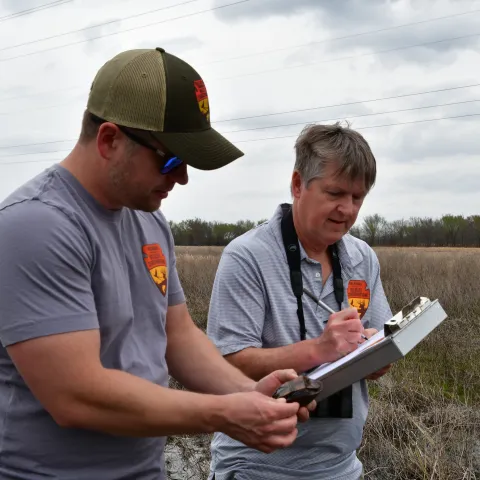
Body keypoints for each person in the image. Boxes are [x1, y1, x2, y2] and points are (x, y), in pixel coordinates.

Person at [0, 47, 314, 480]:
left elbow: (177, 335)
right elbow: (76, 395)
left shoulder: (149, 222)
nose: (181, 177)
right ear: (109, 140)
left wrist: (250, 392)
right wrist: (224, 413)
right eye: (170, 159)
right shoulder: (36, 225)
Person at [206, 122, 393, 480]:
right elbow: (230, 361)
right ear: (297, 184)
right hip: (256, 467)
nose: (347, 210)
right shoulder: (247, 256)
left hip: (340, 466)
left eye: (358, 197)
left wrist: (376, 356)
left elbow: (377, 340)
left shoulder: (362, 258)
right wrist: (319, 349)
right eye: (335, 193)